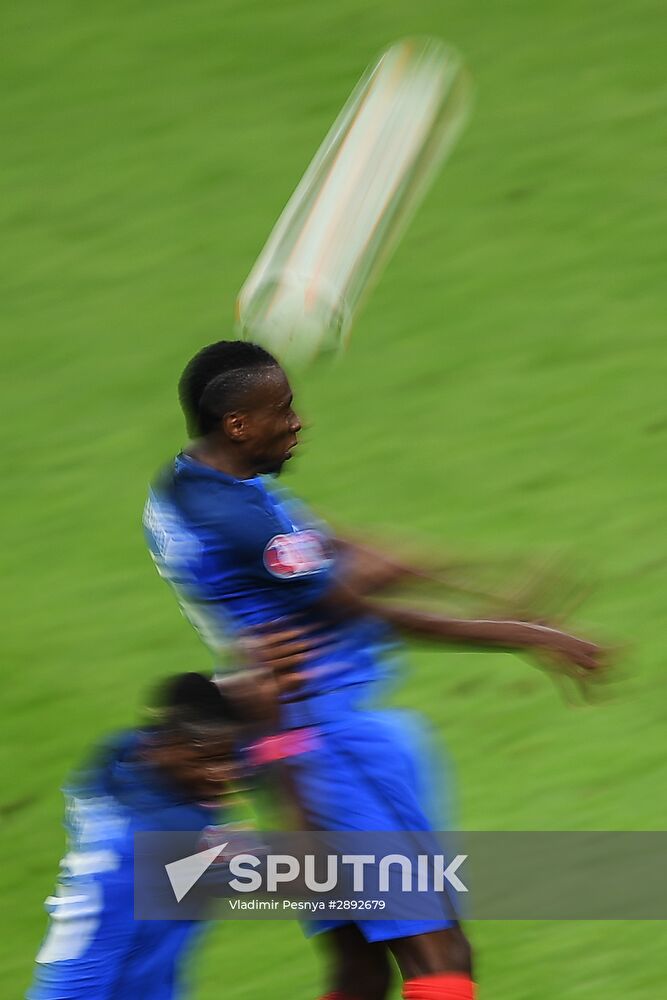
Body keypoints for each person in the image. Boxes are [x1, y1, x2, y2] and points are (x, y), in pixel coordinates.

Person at [144, 340, 606, 1000]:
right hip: (329, 741)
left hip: (297, 736)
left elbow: (338, 547)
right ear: (237, 424)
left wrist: (482, 582)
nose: (299, 420)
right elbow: (357, 604)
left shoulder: (189, 482)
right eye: (283, 409)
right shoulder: (241, 522)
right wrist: (523, 635)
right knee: (439, 955)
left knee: (360, 966)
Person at [27, 672, 250, 1000]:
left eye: (231, 758)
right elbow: (68, 987)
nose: (222, 775)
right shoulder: (119, 866)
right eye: (206, 760)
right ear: (164, 747)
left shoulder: (154, 784)